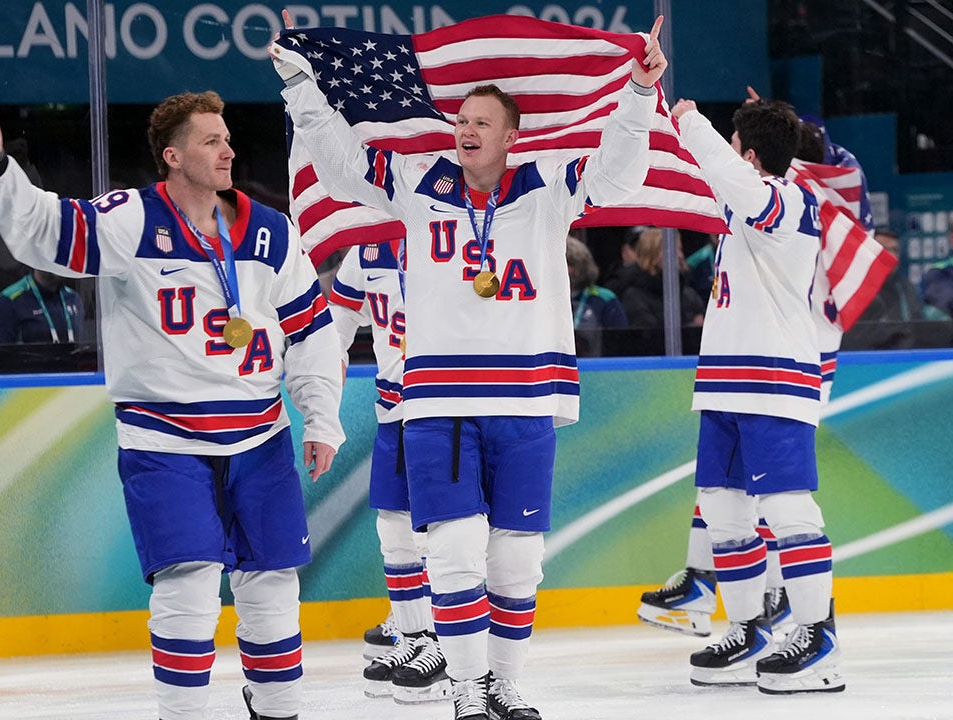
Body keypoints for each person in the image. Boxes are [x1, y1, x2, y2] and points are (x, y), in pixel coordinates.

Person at [274, 13, 668, 719]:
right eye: (461, 117)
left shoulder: (549, 185)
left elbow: (618, 174)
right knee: (454, 555)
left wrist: (639, 91)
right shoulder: (416, 181)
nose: (466, 128)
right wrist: (301, 82)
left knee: (518, 564)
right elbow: (338, 162)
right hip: (438, 402)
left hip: (525, 401)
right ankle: (465, 689)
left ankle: (504, 685)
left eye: (482, 120)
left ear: (512, 135)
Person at [0, 90, 345, 720]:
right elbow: (44, 233)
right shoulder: (130, 221)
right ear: (172, 156)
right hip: (164, 439)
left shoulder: (273, 232)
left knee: (273, 584)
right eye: (210, 141)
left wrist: (322, 418)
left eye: (227, 139)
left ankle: (278, 708)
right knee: (189, 585)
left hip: (260, 435)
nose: (227, 149)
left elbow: (310, 332)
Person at [672, 96, 844, 694]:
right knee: (722, 506)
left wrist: (689, 122)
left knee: (788, 507)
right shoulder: (739, 203)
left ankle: (818, 635)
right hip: (724, 379)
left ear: (747, 154)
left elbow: (730, 179)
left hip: (775, 377)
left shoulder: (790, 200)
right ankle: (749, 628)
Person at [328, 241, 450, 702]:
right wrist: (325, 375)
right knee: (394, 530)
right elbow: (335, 327)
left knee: (441, 531)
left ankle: (447, 643)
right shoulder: (367, 249)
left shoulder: (452, 234)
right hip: (391, 409)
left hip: (444, 405)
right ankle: (415, 638)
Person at [619, 227, 705, 331]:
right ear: (650, 254)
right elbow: (649, 337)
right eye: (672, 250)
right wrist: (691, 328)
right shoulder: (634, 296)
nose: (679, 256)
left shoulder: (689, 295)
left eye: (680, 249)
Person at [566, 236, 628, 357]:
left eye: (568, 263)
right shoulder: (540, 300)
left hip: (596, 368)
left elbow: (621, 343)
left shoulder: (604, 299)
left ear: (580, 266)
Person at [0, 269, 82, 345]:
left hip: (70, 366)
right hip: (28, 367)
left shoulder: (73, 297)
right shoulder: (9, 300)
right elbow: (0, 357)